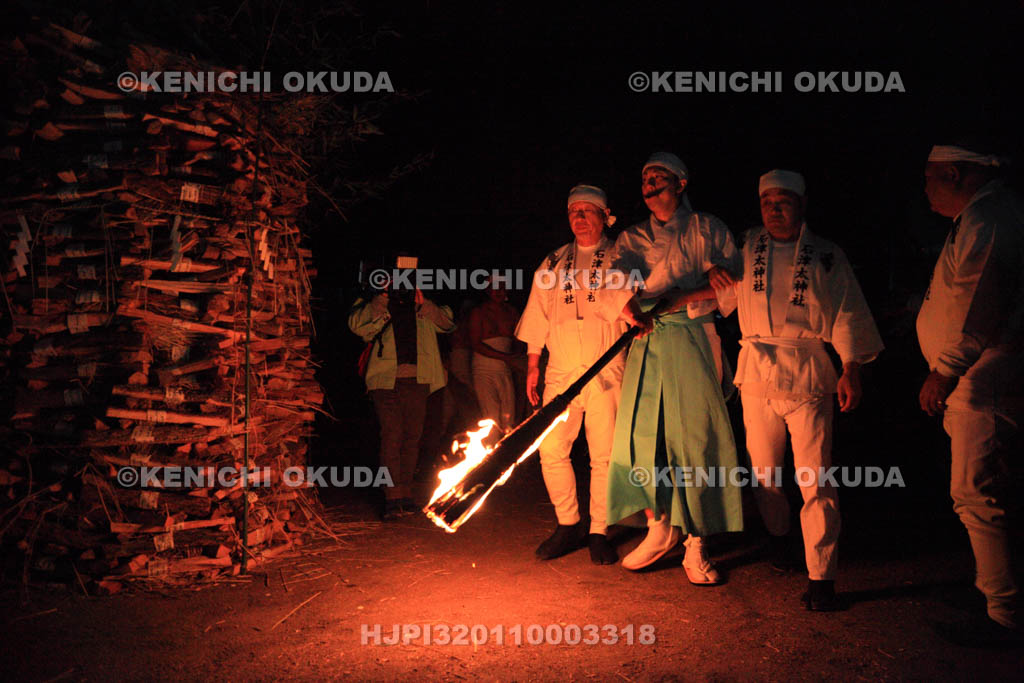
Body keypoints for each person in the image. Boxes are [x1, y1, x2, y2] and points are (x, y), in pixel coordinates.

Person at [715, 169, 884, 611]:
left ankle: (821, 575)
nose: (774, 208)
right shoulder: (745, 246)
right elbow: (717, 295)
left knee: (815, 476)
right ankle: (779, 537)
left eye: (783, 200)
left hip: (808, 370)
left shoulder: (827, 255)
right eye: (767, 200)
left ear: (802, 204)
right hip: (756, 372)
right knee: (764, 471)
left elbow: (848, 313)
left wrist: (850, 368)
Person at [607, 151, 743, 585]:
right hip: (647, 337)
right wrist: (631, 309)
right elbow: (614, 280)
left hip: (692, 335)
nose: (649, 183)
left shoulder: (708, 228)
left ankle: (697, 542)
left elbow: (730, 285)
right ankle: (658, 525)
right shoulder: (631, 237)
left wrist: (680, 299)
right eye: (644, 177)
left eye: (658, 176)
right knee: (641, 437)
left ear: (681, 183)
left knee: (696, 439)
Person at [918, 142, 1024, 645]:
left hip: (984, 378)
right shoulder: (983, 217)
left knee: (977, 493)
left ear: (955, 174)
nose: (925, 190)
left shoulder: (991, 220)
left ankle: (1003, 615)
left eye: (930, 179)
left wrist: (944, 371)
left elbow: (977, 305)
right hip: (979, 376)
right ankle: (994, 592)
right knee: (987, 490)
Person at [515, 184, 647, 564]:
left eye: (588, 211)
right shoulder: (554, 262)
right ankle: (567, 522)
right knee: (552, 448)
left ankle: (598, 531)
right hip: (561, 370)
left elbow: (639, 303)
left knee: (604, 455)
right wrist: (533, 365)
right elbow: (538, 314)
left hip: (606, 365)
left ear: (605, 216)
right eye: (574, 211)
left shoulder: (623, 255)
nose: (580, 217)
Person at [349, 280, 455, 519]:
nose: (401, 285)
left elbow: (447, 323)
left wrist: (423, 303)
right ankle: (392, 497)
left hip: (418, 380)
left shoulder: (423, 301)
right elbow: (357, 326)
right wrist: (382, 297)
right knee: (392, 435)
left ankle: (405, 494)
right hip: (384, 380)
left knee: (411, 437)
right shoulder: (373, 299)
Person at [467, 280, 522, 432]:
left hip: (505, 370)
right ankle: (491, 453)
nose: (498, 291)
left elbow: (519, 340)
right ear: (487, 290)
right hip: (483, 370)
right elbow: (475, 344)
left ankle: (509, 453)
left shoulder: (512, 312)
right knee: (491, 417)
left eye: (502, 288)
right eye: (494, 288)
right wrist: (505, 357)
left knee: (509, 418)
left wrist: (515, 357)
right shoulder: (479, 312)